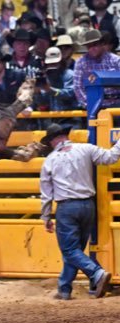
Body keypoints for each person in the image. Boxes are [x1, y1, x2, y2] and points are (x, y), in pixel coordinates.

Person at [39, 123, 120, 300]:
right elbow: (111, 157)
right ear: (66, 135)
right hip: (88, 205)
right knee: (75, 250)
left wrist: (46, 217)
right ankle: (64, 289)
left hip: (67, 207)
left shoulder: (50, 160)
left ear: (53, 140)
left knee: (69, 250)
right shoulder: (85, 149)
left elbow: (46, 194)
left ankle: (96, 273)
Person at [73, 29, 120, 109]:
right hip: (94, 105)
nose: (92, 49)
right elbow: (78, 87)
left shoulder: (115, 60)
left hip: (117, 104)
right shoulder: (81, 63)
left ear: (102, 44)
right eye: (89, 46)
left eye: (95, 45)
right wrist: (89, 105)